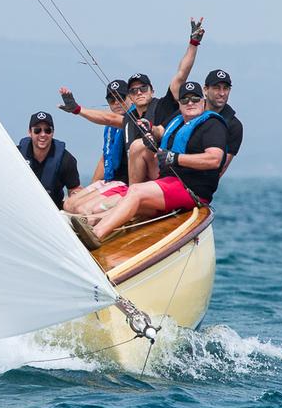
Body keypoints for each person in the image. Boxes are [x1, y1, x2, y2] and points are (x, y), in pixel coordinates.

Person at [59, 18, 205, 214]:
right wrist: (77, 109)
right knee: (70, 204)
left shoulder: (164, 105)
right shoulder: (129, 117)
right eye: (134, 90)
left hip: (156, 185)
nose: (139, 92)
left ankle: (113, 220)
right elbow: (107, 119)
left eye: (143, 88)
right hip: (128, 186)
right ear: (130, 96)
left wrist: (193, 43)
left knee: (85, 209)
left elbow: (181, 73)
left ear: (152, 90)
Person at [71, 82, 227, 250]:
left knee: (136, 191)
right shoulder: (178, 122)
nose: (190, 103)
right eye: (185, 100)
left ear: (203, 102)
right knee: (135, 201)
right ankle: (91, 222)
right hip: (170, 182)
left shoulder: (213, 125)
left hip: (191, 190)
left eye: (195, 99)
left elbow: (214, 160)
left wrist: (175, 158)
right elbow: (160, 131)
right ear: (180, 104)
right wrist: (149, 129)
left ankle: (96, 234)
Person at [63, 79, 133, 214]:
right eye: (112, 100)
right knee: (69, 204)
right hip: (110, 181)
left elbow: (108, 118)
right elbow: (105, 158)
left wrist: (77, 109)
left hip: (126, 184)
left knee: (83, 209)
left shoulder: (134, 120)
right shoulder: (110, 129)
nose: (117, 103)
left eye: (121, 98)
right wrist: (94, 186)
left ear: (130, 98)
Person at [18, 111, 82, 209]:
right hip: (22, 207)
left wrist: (76, 200)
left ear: (53, 133)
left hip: (52, 211)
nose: (43, 134)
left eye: (47, 130)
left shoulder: (66, 160)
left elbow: (74, 189)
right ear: (30, 132)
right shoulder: (17, 154)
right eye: (37, 130)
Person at [203, 69, 243, 176]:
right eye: (216, 88)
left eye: (226, 88)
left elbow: (221, 168)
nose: (222, 93)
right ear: (205, 90)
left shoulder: (234, 126)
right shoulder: (190, 110)